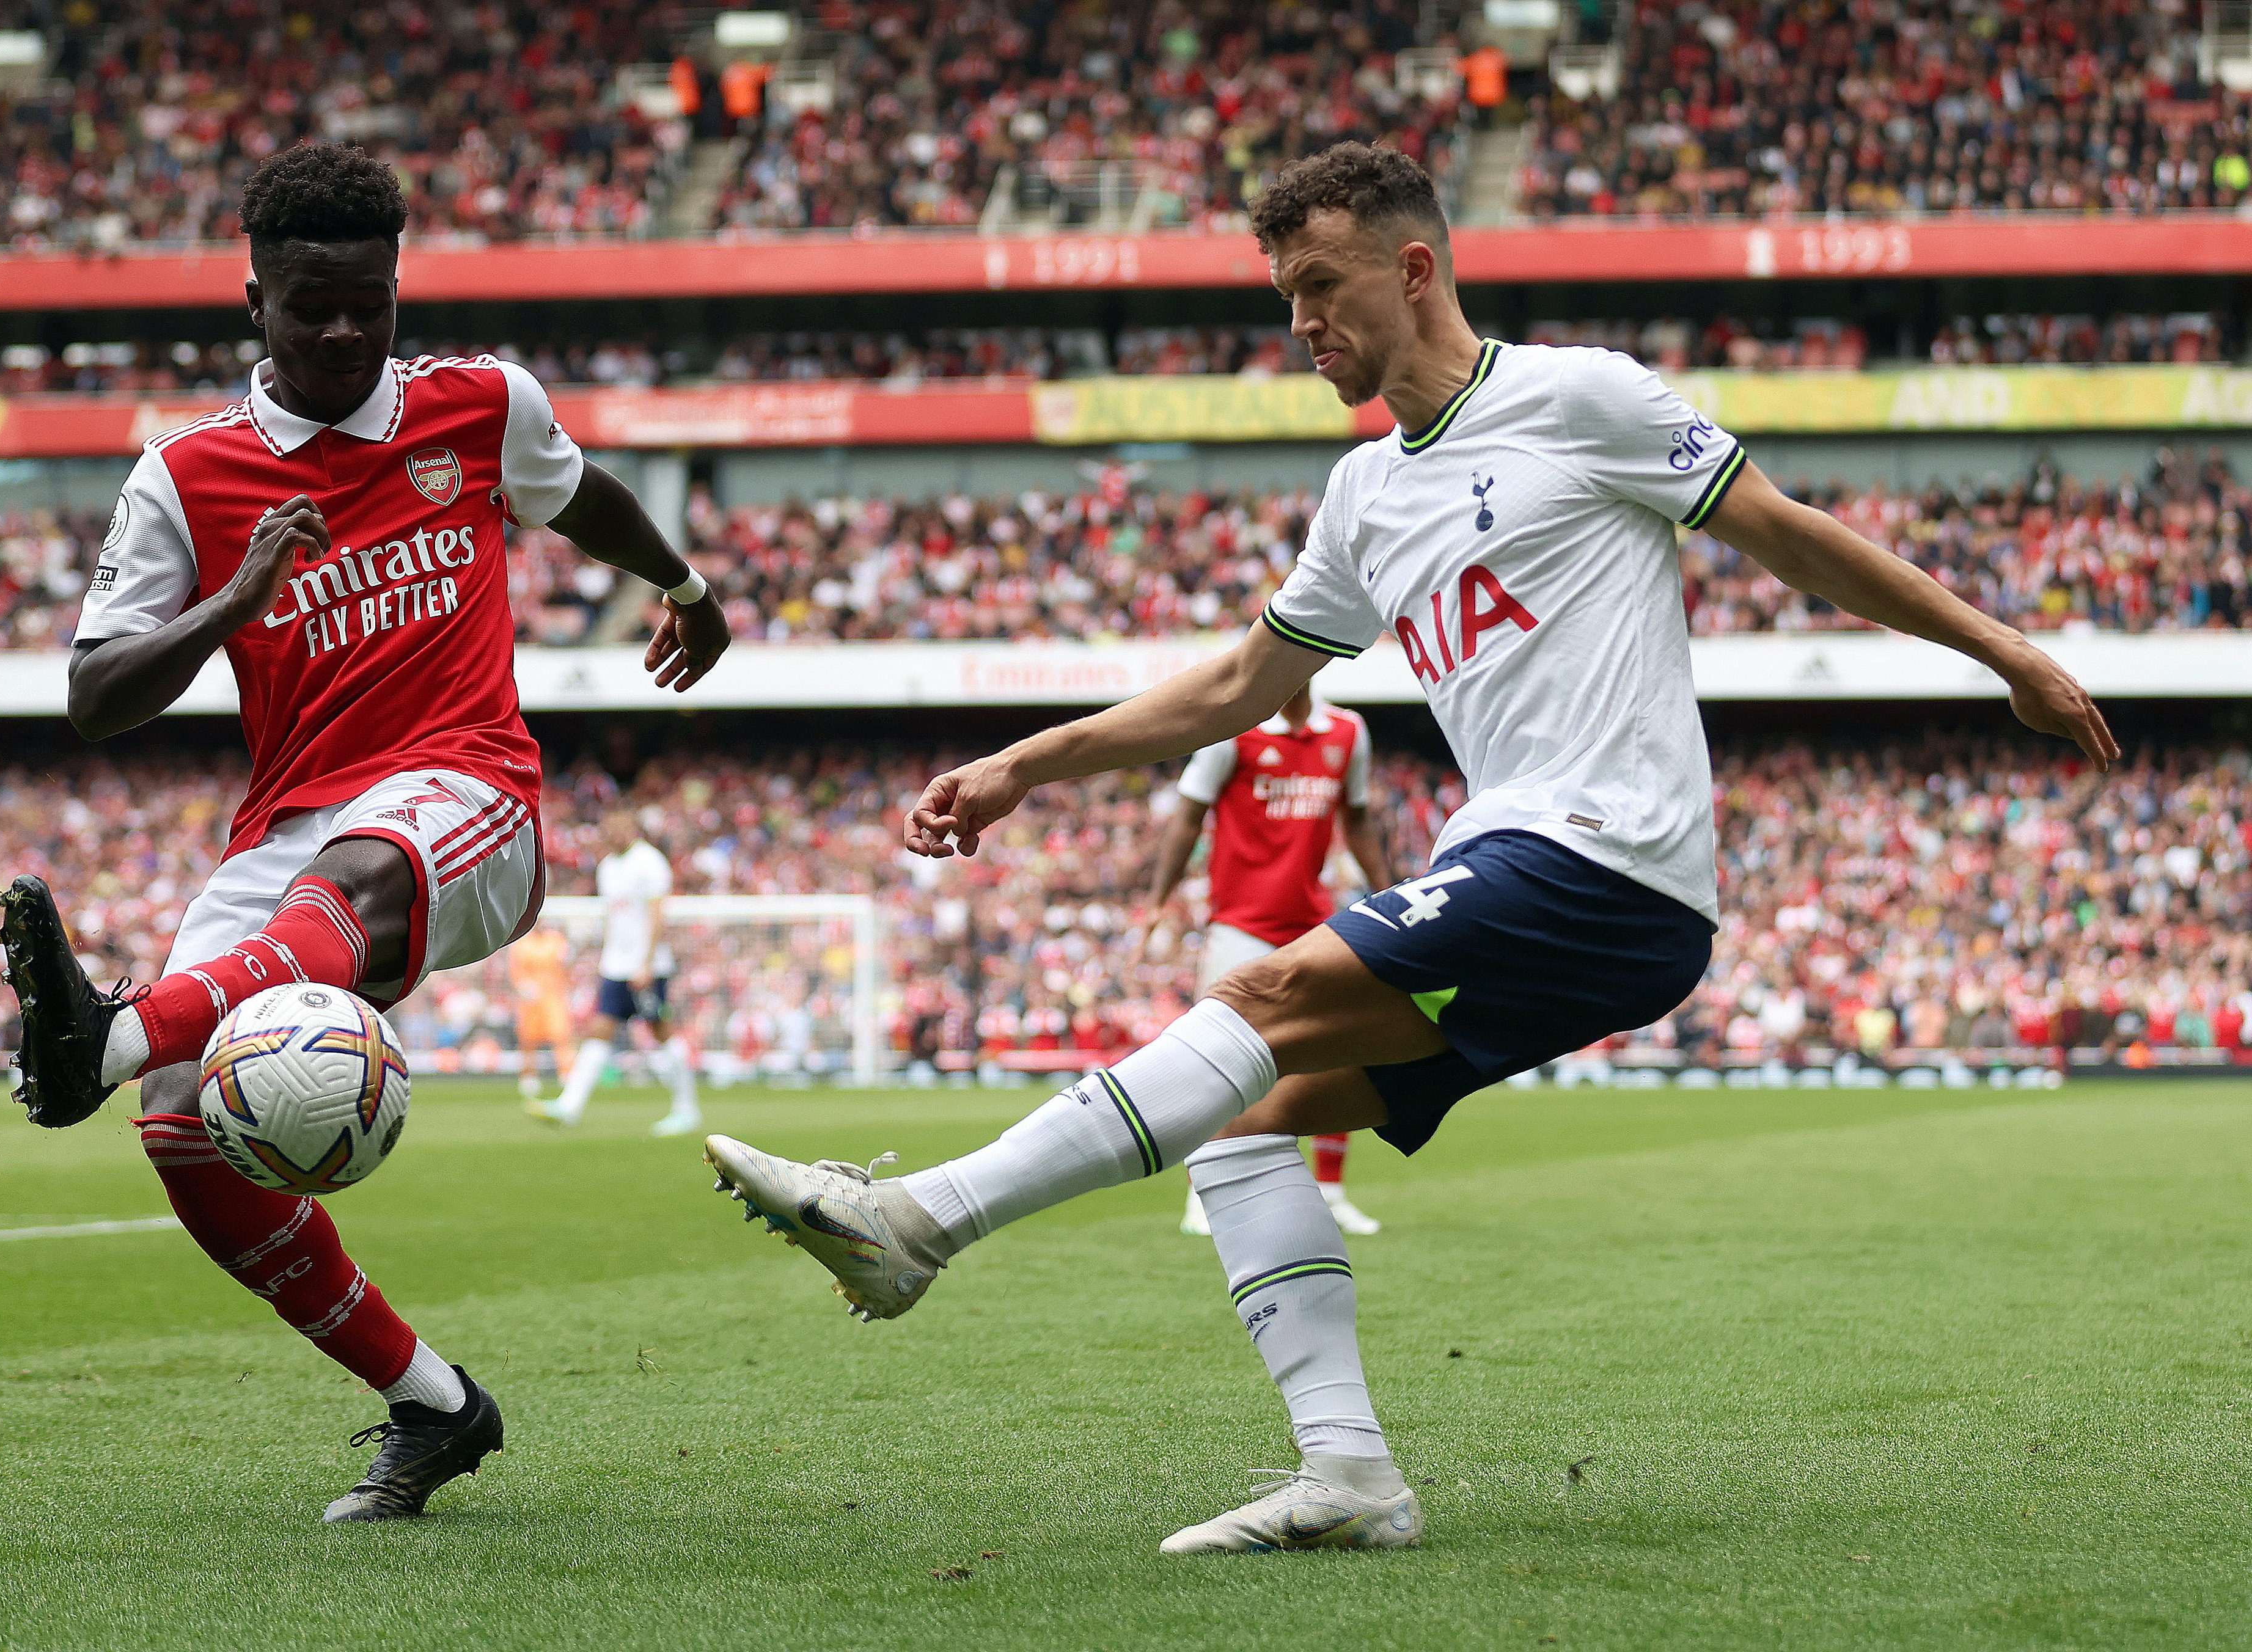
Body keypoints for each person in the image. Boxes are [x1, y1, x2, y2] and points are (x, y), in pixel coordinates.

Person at [699, 141, 2115, 1555]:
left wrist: (2003, 652)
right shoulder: (1364, 493)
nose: (1299, 321)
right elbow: (1230, 688)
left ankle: (914, 1225)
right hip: (1546, 875)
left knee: (1246, 1003)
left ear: (1415, 268)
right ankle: (1352, 1475)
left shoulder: (1579, 398)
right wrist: (1024, 761)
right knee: (1244, 1128)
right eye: (1282, 295)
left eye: (1319, 286)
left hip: (1607, 854)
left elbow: (1786, 535)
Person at [0, 141, 728, 1525]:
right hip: (286, 828)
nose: (342, 332)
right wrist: (238, 595)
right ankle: (434, 1404)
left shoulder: (481, 408)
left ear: (398, 291)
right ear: (252, 300)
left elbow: (583, 494)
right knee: (180, 1129)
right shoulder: (186, 477)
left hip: (468, 792)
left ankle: (110, 1030)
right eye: (309, 305)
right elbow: (95, 697)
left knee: (357, 869)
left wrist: (685, 583)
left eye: (369, 306)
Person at [1139, 684, 1389, 1237]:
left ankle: (1330, 1189)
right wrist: (1159, 901)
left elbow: (1360, 819)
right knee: (1219, 1058)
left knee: (1338, 1051)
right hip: (1241, 924)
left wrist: (1391, 893)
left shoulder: (1348, 731)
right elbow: (1187, 818)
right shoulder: (1233, 730)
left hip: (1315, 921)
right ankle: (1202, 1194)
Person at [535, 808, 700, 1136]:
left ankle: (686, 1108)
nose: (613, 834)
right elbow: (613, 918)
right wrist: (606, 957)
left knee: (661, 1032)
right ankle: (570, 1106)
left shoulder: (649, 862)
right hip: (616, 967)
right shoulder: (608, 866)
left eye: (618, 827)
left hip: (646, 968)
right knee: (599, 1031)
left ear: (631, 828)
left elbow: (657, 916)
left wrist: (647, 963)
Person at [508, 922, 580, 1105]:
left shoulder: (556, 940)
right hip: (530, 998)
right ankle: (529, 1075)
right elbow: (515, 971)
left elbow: (567, 967)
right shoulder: (522, 942)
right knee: (528, 1038)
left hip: (554, 995)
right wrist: (521, 987)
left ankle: (566, 1074)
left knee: (561, 1036)